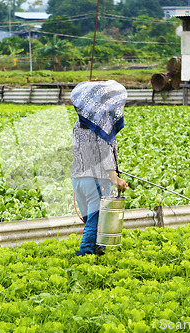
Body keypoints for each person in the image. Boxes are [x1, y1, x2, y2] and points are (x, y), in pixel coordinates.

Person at [70, 80, 128, 256]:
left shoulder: (78, 124)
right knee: (95, 220)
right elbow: (104, 156)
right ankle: (85, 254)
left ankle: (97, 250)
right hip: (95, 179)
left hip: (78, 179)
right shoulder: (102, 127)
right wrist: (115, 179)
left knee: (90, 219)